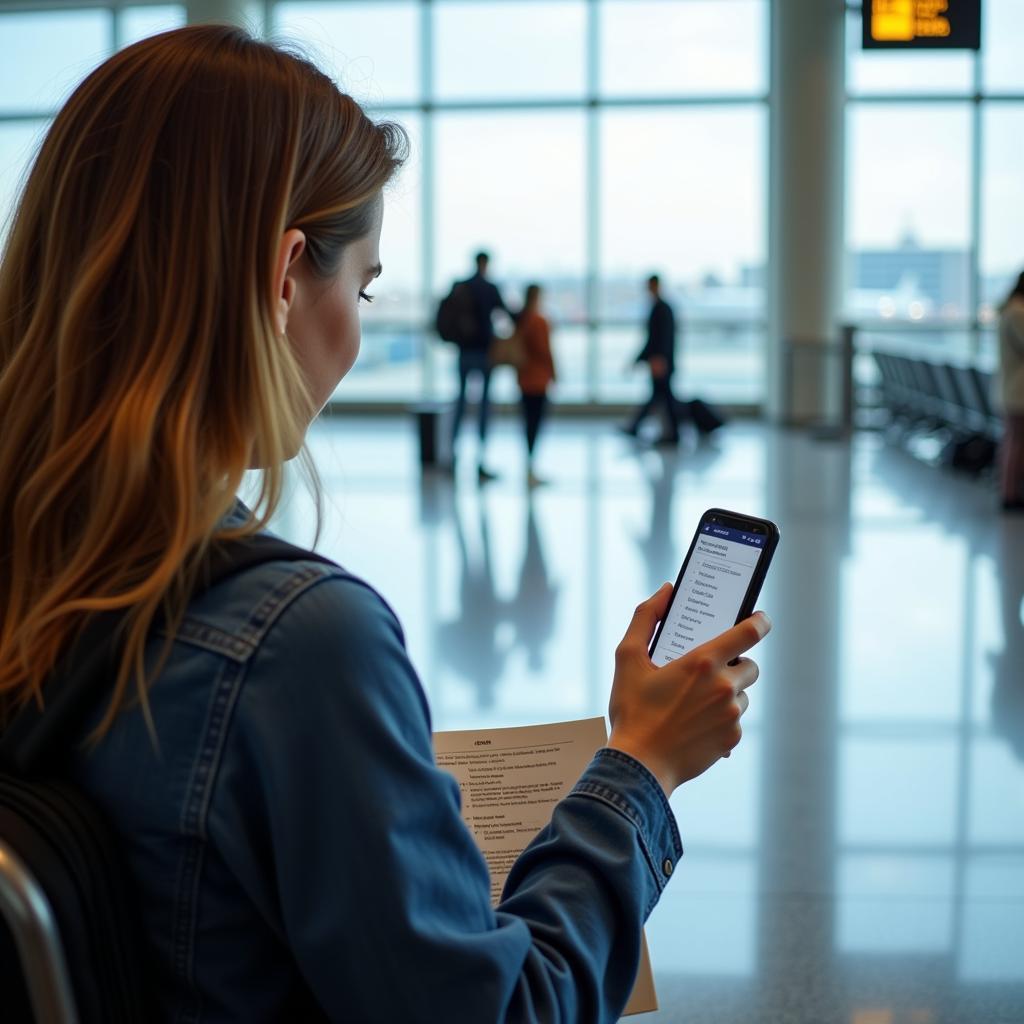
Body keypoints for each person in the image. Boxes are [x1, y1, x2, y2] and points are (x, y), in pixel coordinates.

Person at [0, 26, 770, 1023]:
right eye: (360, 286)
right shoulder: (297, 645)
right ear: (284, 278)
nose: (358, 328)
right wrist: (644, 764)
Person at [448, 251, 510, 483]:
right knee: (484, 404)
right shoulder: (490, 289)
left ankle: (452, 456)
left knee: (461, 401)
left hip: (464, 352)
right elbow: (507, 314)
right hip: (485, 353)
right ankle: (481, 460)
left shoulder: (462, 287)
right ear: (487, 264)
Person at [622, 274, 682, 445]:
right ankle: (637, 427)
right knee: (660, 396)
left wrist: (659, 360)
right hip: (661, 361)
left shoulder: (661, 309)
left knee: (664, 397)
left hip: (661, 362)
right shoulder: (661, 308)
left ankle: (671, 434)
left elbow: (660, 339)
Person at [515, 283, 556, 487]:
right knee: (535, 424)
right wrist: (554, 372)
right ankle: (531, 468)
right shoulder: (539, 321)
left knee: (527, 424)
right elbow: (545, 351)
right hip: (538, 380)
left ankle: (529, 466)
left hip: (523, 379)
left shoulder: (521, 320)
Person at [998, 271, 1024, 511]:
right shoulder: (1018, 312)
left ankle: (1009, 492)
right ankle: (1010, 494)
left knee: (1013, 440)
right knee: (1016, 441)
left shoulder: (1008, 309)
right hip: (1019, 390)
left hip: (1010, 387)